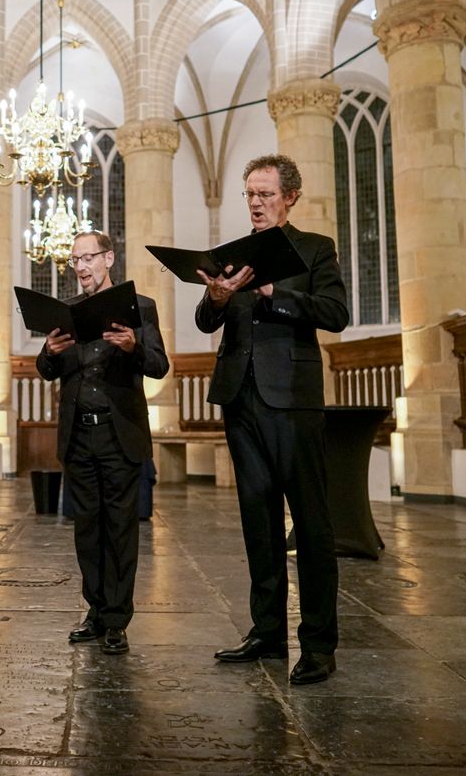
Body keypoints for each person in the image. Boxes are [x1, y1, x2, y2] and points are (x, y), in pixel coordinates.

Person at [195, 153, 349, 685]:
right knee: (257, 523)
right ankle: (267, 633)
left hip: (293, 401)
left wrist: (272, 293)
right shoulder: (235, 254)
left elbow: (335, 314)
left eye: (264, 195)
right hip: (242, 399)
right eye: (250, 195)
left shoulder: (314, 249)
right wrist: (216, 296)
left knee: (310, 524)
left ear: (290, 197)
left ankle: (319, 645)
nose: (256, 203)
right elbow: (204, 318)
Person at [37, 231, 169, 655]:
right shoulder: (67, 310)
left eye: (88, 257)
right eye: (75, 260)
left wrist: (132, 346)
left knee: (120, 529)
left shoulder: (139, 307)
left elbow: (158, 365)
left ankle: (117, 619)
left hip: (119, 432)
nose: (81, 266)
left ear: (108, 258)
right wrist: (49, 351)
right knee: (88, 530)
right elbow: (46, 369)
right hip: (78, 434)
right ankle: (95, 612)